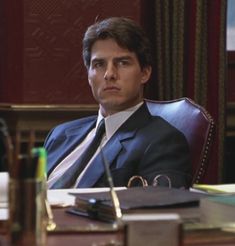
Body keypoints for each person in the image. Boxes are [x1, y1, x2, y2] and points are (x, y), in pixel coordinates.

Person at [45, 17, 192, 189]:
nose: (109, 74)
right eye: (99, 64)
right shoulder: (60, 134)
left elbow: (156, 211)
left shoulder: (164, 142)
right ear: (89, 76)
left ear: (145, 73)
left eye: (122, 63)